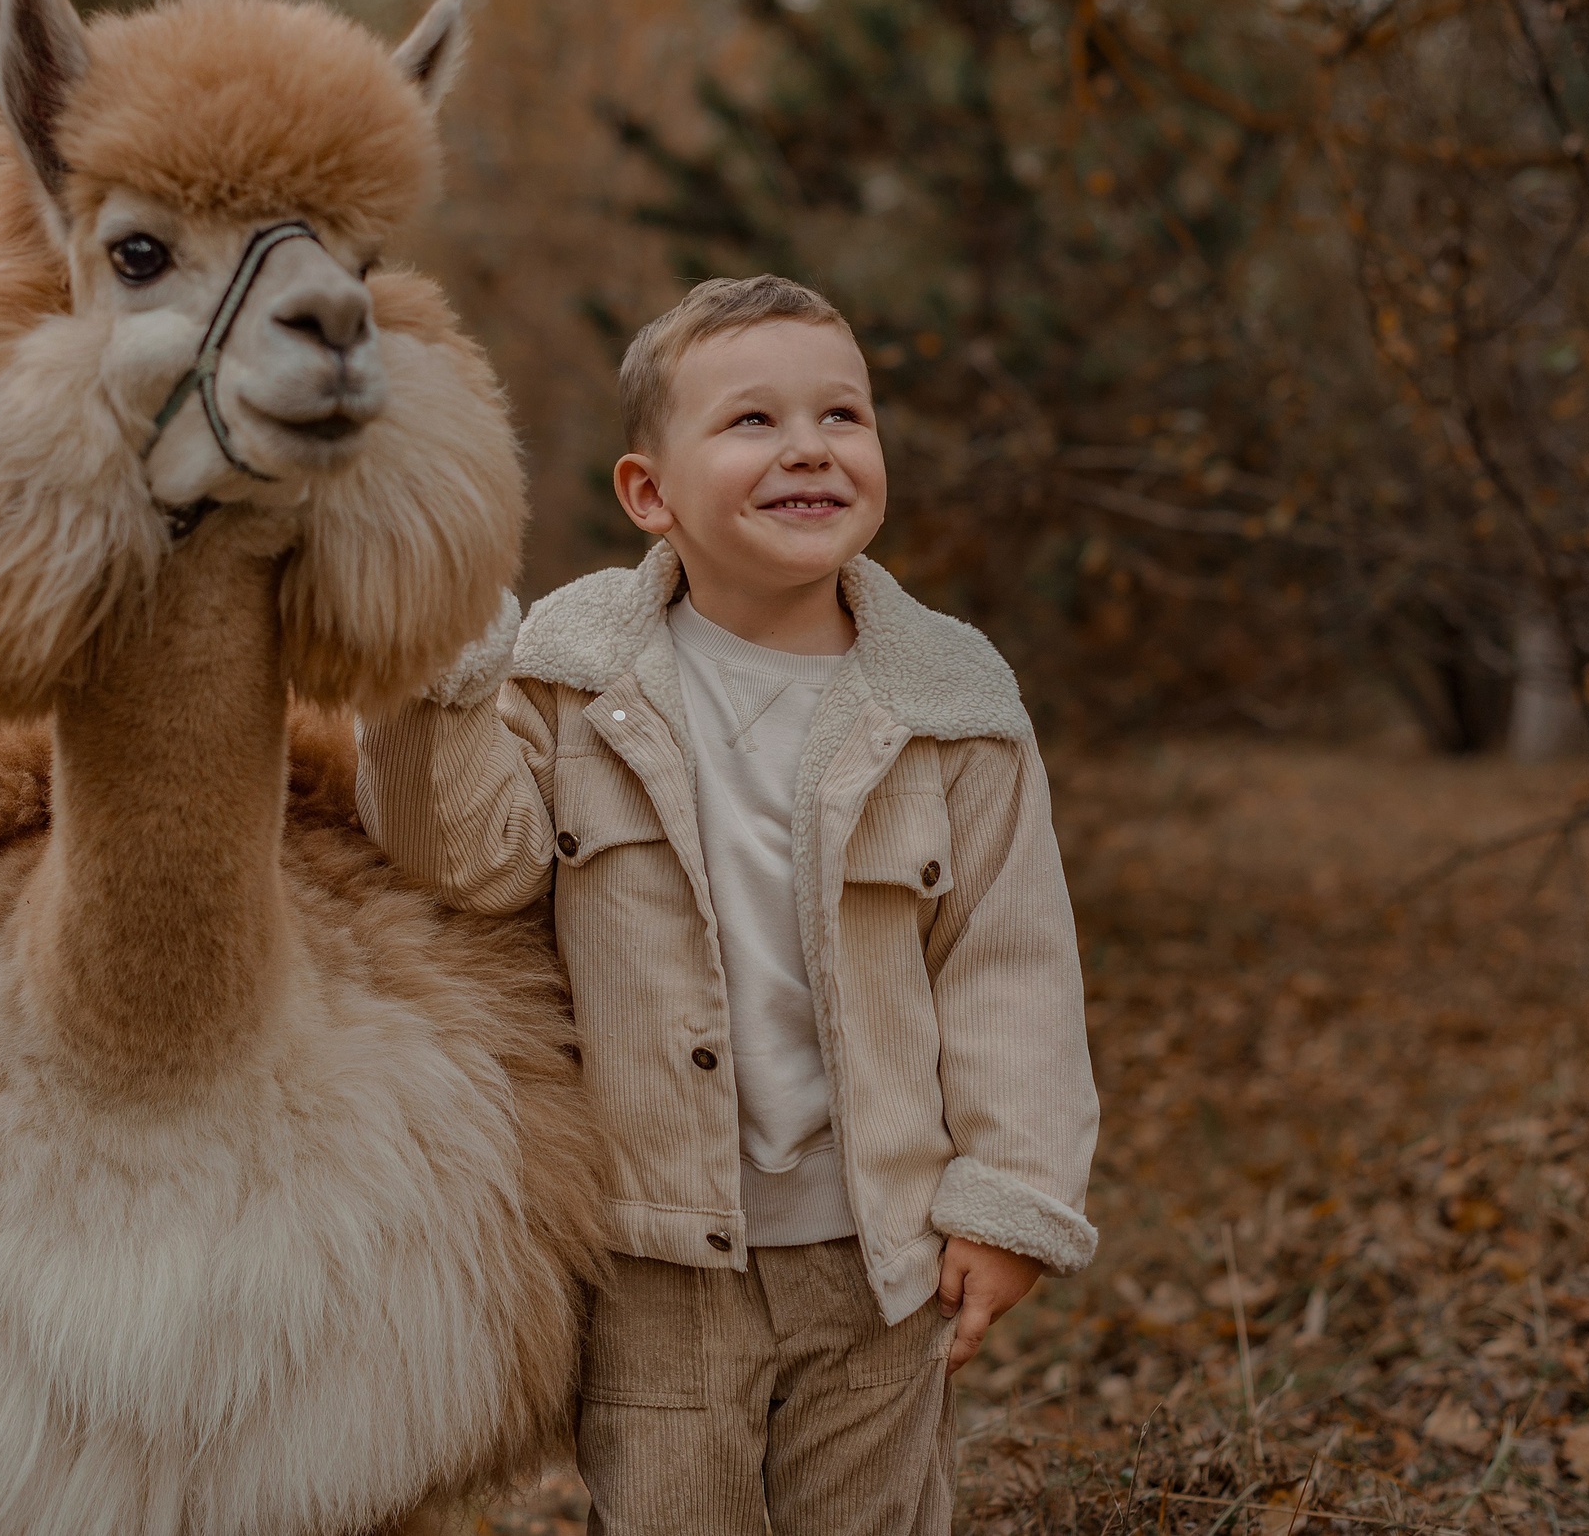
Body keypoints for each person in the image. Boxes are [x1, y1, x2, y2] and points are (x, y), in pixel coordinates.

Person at [357, 274, 1099, 1536]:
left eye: (842, 416)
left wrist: (1009, 1195)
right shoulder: (564, 680)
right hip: (657, 1255)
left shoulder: (949, 705)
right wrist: (432, 685)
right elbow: (467, 862)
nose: (809, 446)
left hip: (879, 1254)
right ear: (650, 493)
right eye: (753, 421)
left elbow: (1007, 962)